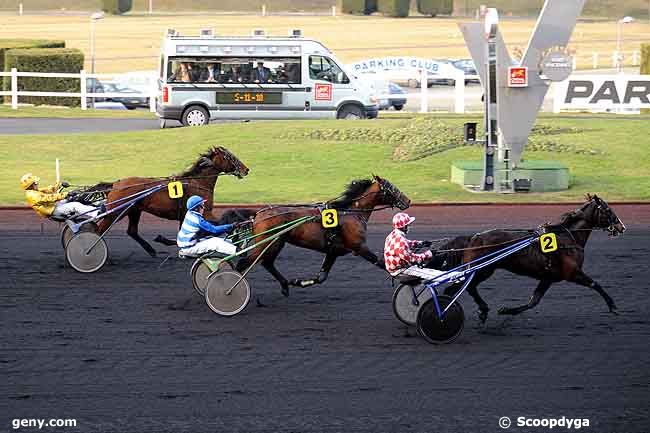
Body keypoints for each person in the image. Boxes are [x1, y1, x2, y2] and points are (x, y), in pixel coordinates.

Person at [384, 212, 462, 281]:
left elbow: (407, 244)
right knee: (431, 273)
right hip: (401, 270)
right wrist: (428, 254)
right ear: (404, 227)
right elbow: (411, 259)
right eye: (408, 225)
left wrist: (421, 243)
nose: (409, 226)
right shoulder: (400, 240)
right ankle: (456, 277)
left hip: (397, 267)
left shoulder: (393, 235)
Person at [20, 173, 100, 219]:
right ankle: (97, 213)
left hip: (53, 206)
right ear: (31, 185)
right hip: (53, 211)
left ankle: (96, 206)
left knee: (74, 198)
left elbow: (49, 190)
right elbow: (50, 198)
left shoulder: (34, 191)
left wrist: (60, 185)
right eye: (35, 183)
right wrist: (66, 194)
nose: (37, 184)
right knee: (75, 205)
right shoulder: (32, 195)